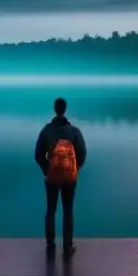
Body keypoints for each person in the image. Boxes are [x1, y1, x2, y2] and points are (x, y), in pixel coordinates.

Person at [35, 97, 86, 258]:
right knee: (68, 211)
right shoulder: (74, 131)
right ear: (65, 110)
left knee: (51, 209)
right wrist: (74, 169)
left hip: (51, 177)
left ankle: (50, 243)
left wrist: (46, 169)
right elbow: (82, 154)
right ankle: (67, 246)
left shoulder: (46, 130)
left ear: (54, 110)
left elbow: (38, 155)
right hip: (70, 178)